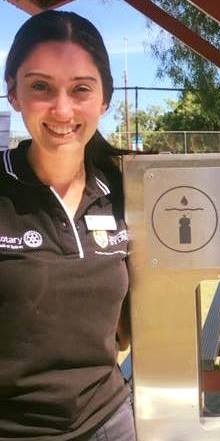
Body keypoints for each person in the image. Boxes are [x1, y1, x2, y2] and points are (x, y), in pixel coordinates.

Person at [1, 11, 135, 440]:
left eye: (80, 89)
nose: (62, 109)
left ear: (105, 98)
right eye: (40, 86)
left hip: (107, 422)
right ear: (14, 94)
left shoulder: (128, 189)